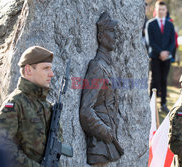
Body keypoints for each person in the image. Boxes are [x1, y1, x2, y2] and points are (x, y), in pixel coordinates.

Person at [0, 46, 60, 166]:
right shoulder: (15, 104)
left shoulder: (47, 107)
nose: (52, 74)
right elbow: (1, 146)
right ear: (28, 70)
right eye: (46, 68)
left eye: (51, 69)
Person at [79, 11, 123, 165]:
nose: (115, 37)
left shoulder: (109, 68)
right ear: (100, 36)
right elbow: (86, 110)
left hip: (108, 144)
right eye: (111, 31)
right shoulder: (97, 67)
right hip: (99, 144)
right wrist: (105, 132)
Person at [145, 1, 175, 112]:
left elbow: (172, 41)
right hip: (155, 56)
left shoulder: (170, 25)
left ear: (166, 11)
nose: (161, 11)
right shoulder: (151, 24)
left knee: (164, 80)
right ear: (156, 10)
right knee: (154, 80)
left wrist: (166, 52)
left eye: (163, 9)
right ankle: (151, 103)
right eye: (159, 9)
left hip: (166, 57)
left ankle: (163, 104)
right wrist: (160, 52)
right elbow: (150, 41)